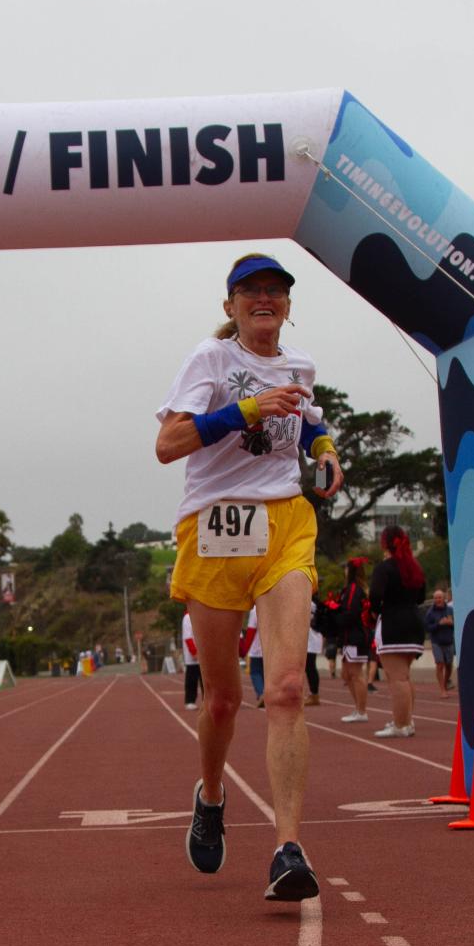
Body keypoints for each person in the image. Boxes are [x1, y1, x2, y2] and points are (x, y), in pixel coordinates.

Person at [155, 251, 343, 902]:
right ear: (231, 304)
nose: (264, 299)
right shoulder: (209, 361)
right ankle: (211, 794)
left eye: (275, 291)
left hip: (286, 523)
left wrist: (324, 452)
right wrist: (243, 411)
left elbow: (311, 419)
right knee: (224, 699)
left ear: (287, 305)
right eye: (251, 291)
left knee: (287, 687)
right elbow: (167, 445)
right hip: (214, 530)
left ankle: (288, 846)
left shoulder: (300, 365)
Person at [370, 525, 427, 738]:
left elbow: (375, 595)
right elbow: (422, 596)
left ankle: (401, 724)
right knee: (404, 676)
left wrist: (375, 612)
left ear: (385, 543)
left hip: (393, 623)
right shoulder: (414, 566)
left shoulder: (385, 568)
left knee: (397, 678)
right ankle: (406, 721)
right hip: (414, 622)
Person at [337, 558, 372, 723]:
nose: (344, 571)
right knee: (346, 674)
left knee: (356, 674)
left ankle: (362, 710)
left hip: (355, 636)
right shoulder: (350, 589)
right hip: (348, 636)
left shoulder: (353, 589)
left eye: (346, 568)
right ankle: (358, 708)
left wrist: (334, 618)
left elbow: (350, 612)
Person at [424, 588, 456, 693]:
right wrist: (438, 624)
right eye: (436, 598)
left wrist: (451, 623)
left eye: (440, 597)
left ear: (444, 598)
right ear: (434, 599)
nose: (438, 600)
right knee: (439, 664)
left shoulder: (450, 610)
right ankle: (442, 689)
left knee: (449, 665)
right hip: (436, 642)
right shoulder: (430, 612)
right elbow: (427, 628)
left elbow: (456, 624)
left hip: (449, 640)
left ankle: (446, 683)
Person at [244, 607, 265, 707]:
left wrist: (244, 650)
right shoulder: (276, 606)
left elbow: (251, 631)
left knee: (255, 672)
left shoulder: (256, 610)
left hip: (257, 648)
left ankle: (261, 693)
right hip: (272, 648)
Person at [181, 610, 201, 711]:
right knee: (192, 679)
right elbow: (188, 637)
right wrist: (194, 652)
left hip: (204, 654)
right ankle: (190, 701)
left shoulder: (203, 615)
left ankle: (207, 700)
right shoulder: (188, 618)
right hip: (193, 657)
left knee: (206, 680)